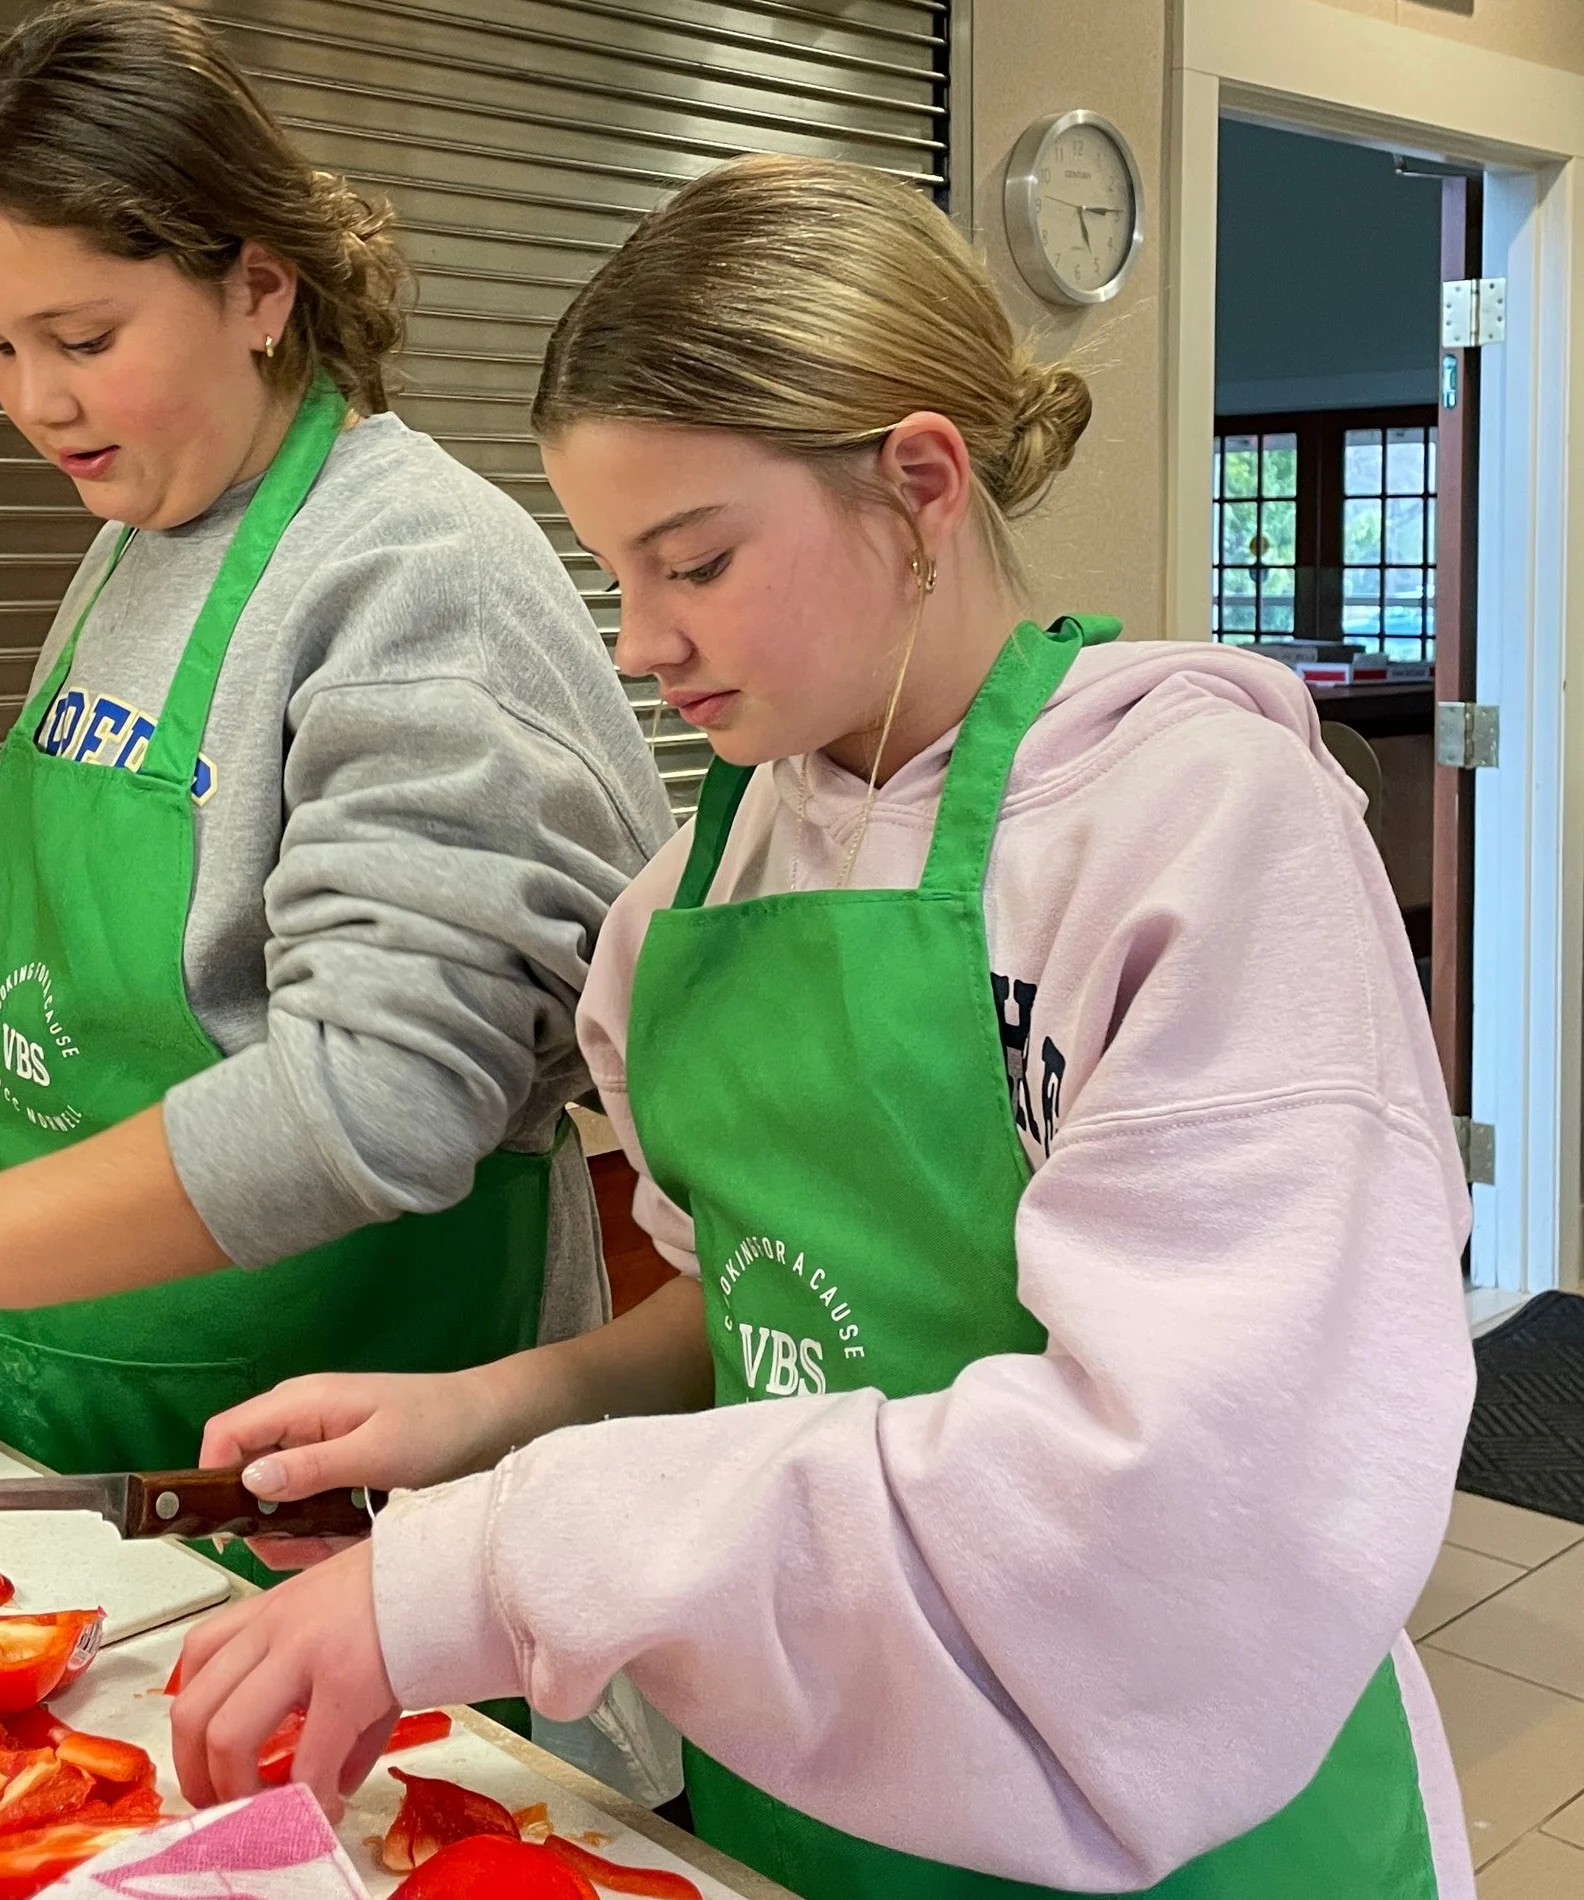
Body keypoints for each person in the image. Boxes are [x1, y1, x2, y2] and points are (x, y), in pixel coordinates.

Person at [165, 155, 1477, 1899]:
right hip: (816, 1803)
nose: (641, 644)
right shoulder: (692, 891)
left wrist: (510, 1556)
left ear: (919, 484)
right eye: (615, 574)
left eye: (696, 562)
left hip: (1183, 1825)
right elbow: (759, 1311)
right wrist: (496, 1410)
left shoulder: (1194, 834)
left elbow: (1174, 1501)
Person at [0, 2, 670, 1524]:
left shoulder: (415, 578)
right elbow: (181, 990)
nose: (39, 401)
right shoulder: (139, 537)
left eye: (86, 340)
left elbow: (381, 1093)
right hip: (85, 1390)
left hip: (340, 1449)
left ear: (259, 287)